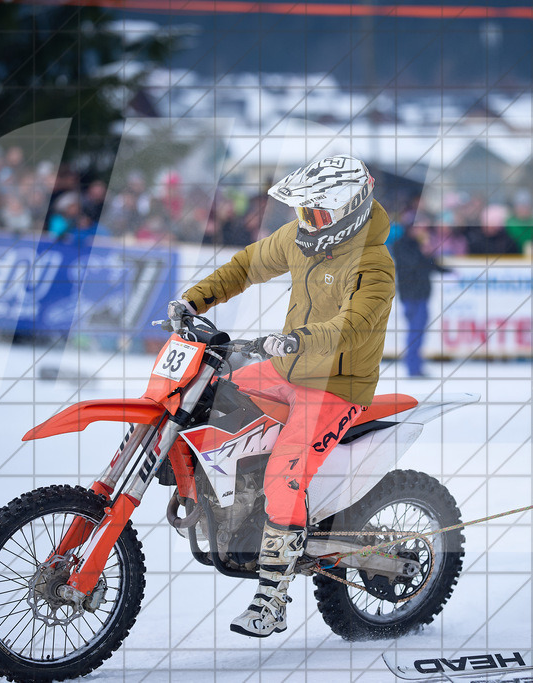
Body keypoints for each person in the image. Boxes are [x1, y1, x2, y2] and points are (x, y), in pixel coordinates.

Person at [169, 154, 394, 638]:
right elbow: (247, 265)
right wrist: (195, 298)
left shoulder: (375, 264)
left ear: (349, 211)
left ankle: (271, 599)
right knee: (210, 396)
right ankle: (232, 504)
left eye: (317, 214)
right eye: (303, 212)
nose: (306, 223)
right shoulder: (299, 239)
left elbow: (354, 325)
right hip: (288, 368)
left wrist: (298, 339)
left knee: (283, 476)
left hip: (336, 385)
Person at [391, 214, 450, 377]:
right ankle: (413, 367)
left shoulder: (419, 245)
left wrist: (448, 270)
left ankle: (415, 365)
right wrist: (426, 252)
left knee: (418, 331)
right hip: (411, 296)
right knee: (415, 331)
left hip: (422, 295)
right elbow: (415, 264)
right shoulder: (401, 245)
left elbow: (431, 265)